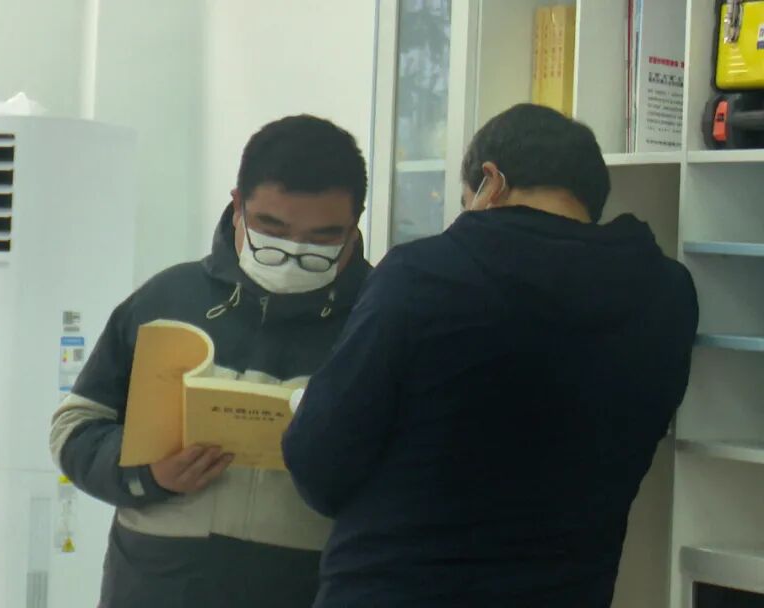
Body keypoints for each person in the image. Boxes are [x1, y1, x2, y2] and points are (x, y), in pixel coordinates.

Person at [282, 103, 699, 607]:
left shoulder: (423, 275)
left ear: (491, 181)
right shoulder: (667, 297)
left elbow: (319, 467)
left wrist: (311, 411)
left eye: (465, 200)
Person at [50, 115, 372, 608]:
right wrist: (148, 473)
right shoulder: (167, 299)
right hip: (155, 586)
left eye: (322, 238)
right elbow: (74, 427)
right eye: (272, 229)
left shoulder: (379, 318)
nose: (294, 252)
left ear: (355, 223)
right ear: (237, 204)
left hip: (308, 586)